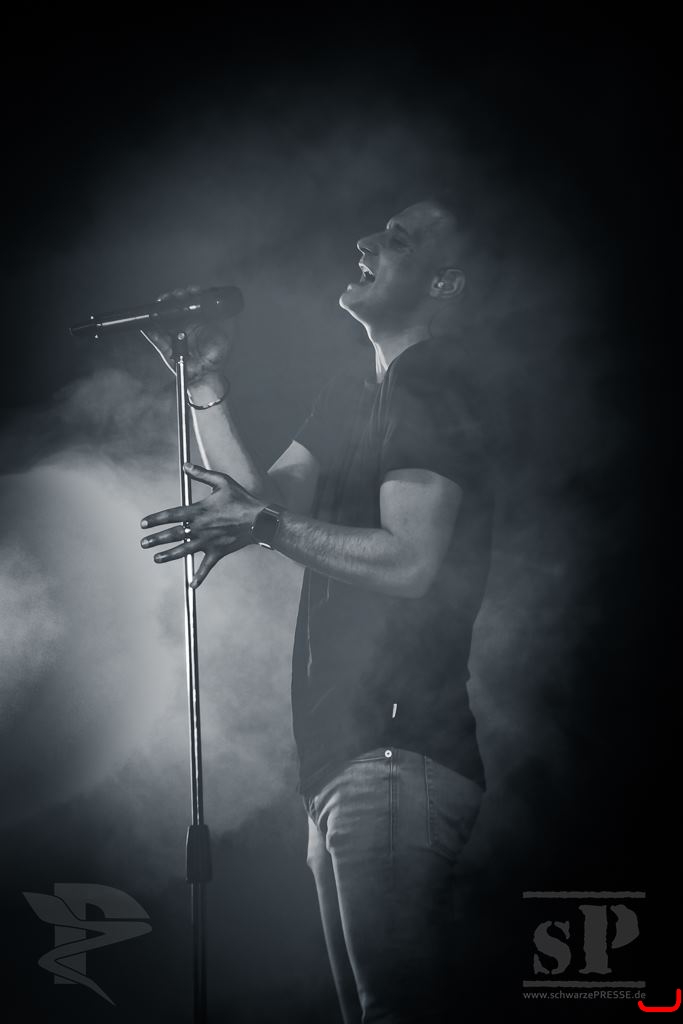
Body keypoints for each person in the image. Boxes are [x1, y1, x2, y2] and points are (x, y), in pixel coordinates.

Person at [140, 197, 494, 1023]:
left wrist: (262, 525)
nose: (364, 242)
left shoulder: (433, 380)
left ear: (443, 283)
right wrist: (205, 384)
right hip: (343, 759)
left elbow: (409, 562)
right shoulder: (353, 392)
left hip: (398, 751)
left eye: (395, 240)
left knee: (393, 1010)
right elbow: (259, 502)